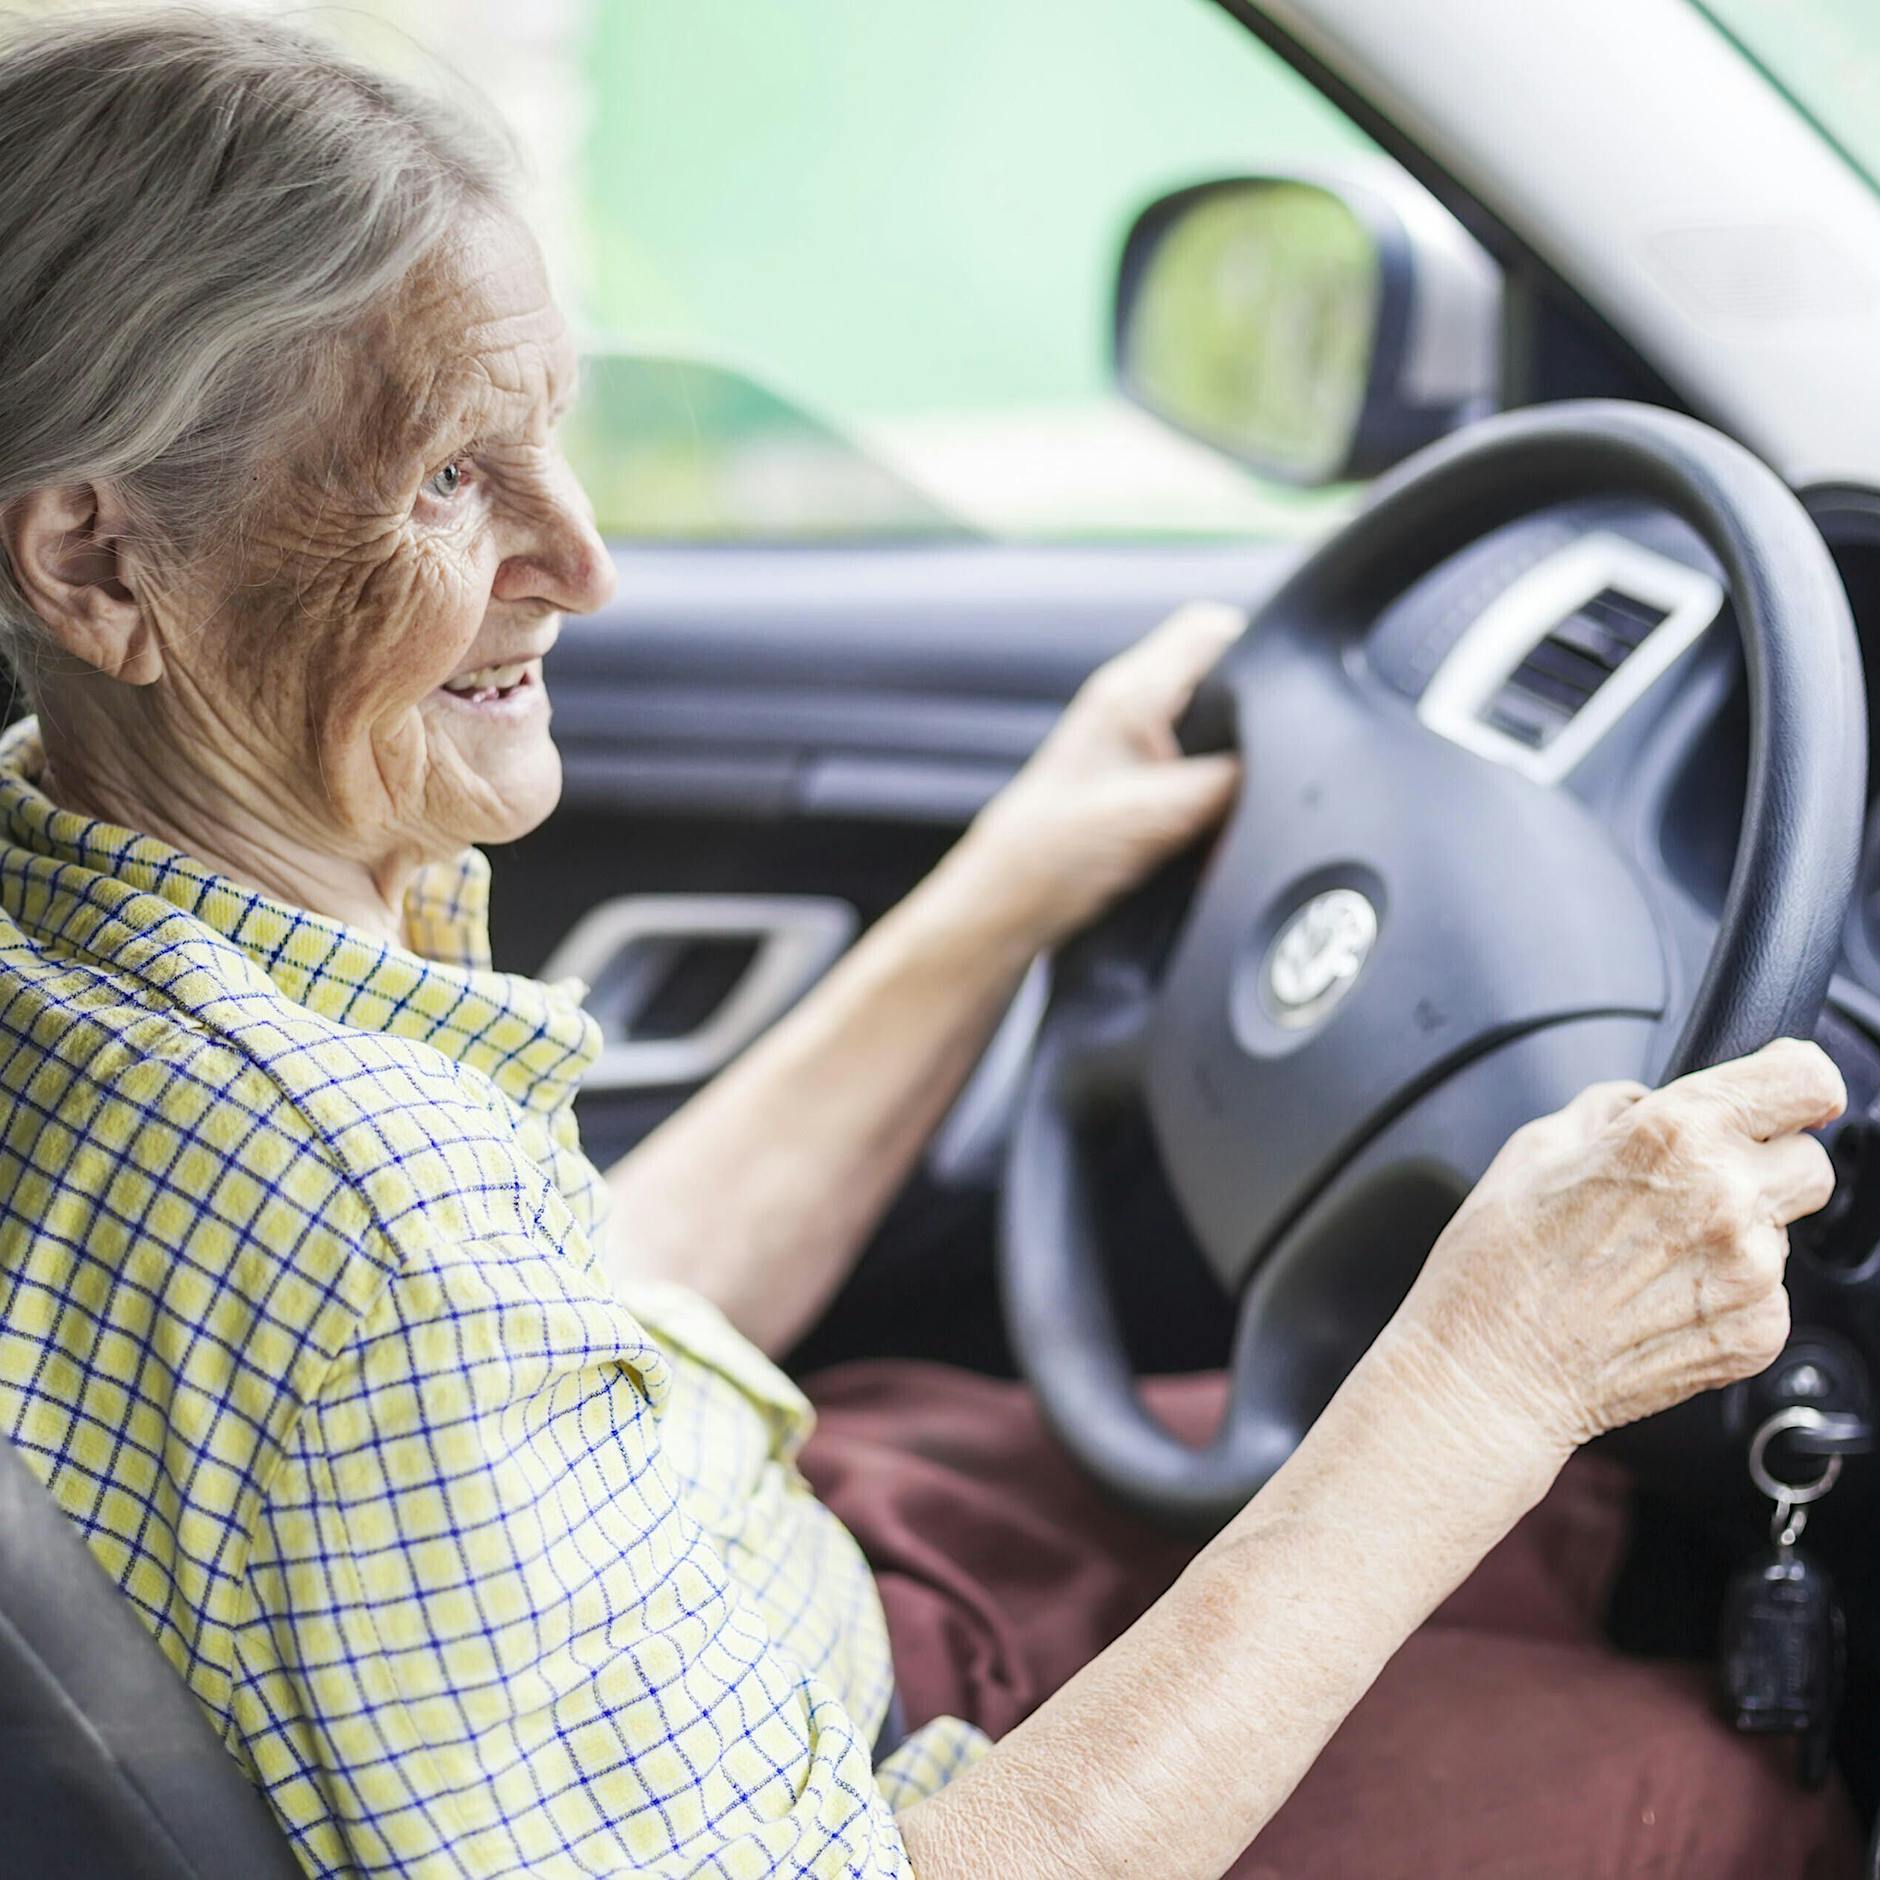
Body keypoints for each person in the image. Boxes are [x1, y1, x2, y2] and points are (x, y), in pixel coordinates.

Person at [0, 10, 1857, 1876]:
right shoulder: (366, 1228)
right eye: (445, 480)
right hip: (886, 1787)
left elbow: (570, 1319)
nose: (587, 562)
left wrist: (1003, 892)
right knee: (1725, 1770)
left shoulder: (101, 925)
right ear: (93, 568)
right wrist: (1491, 1368)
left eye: (547, 431)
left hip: (765, 1592)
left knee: (1556, 1531)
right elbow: (426, 1312)